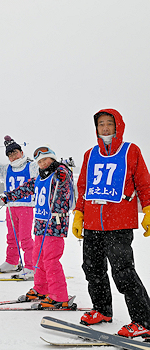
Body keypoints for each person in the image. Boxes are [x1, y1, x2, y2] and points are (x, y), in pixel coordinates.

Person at [72, 108, 150, 338]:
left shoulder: (131, 151)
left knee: (123, 272)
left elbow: (144, 183)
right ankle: (102, 310)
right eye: (101, 124)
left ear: (118, 126)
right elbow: (84, 186)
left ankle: (143, 320)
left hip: (120, 223)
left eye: (109, 123)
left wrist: (147, 208)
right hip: (93, 223)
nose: (105, 128)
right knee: (93, 269)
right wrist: (79, 213)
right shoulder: (90, 154)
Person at [0, 145, 74, 309]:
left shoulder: (59, 175)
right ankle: (42, 289)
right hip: (40, 224)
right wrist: (10, 196)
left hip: (54, 224)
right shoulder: (39, 178)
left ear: (52, 160)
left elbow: (66, 179)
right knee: (38, 258)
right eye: (39, 161)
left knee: (51, 260)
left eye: (46, 160)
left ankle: (59, 296)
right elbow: (25, 189)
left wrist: (63, 169)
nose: (42, 163)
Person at [0, 136, 38, 278]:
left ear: (21, 152)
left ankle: (30, 266)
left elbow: (43, 169)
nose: (13, 156)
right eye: (10, 154)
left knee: (25, 238)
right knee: (12, 236)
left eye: (15, 152)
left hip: (26, 207)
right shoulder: (7, 169)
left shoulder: (31, 166)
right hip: (10, 206)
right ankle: (12, 261)